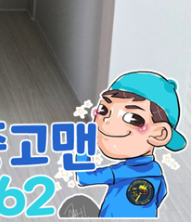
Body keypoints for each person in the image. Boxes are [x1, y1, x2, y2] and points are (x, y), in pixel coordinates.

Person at [75, 71, 186, 218]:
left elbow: (85, 177)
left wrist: (83, 146)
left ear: (160, 134)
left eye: (133, 118)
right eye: (104, 110)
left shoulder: (122, 172)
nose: (106, 121)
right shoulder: (156, 172)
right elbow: (160, 195)